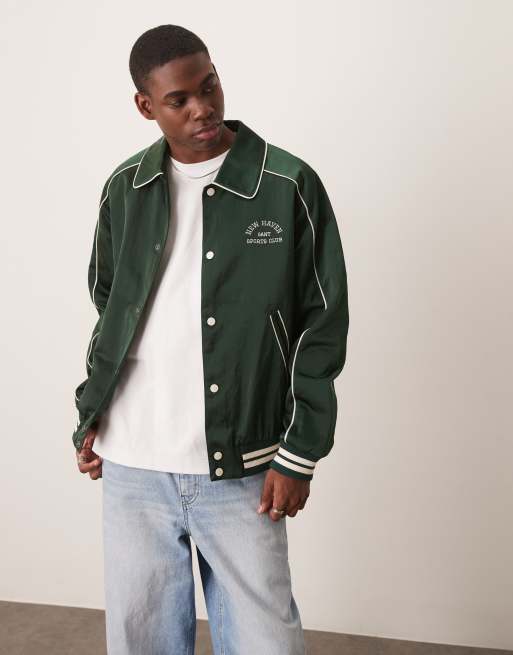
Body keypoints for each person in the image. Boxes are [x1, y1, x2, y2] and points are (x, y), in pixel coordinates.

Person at [73, 23, 349, 655]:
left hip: (243, 463)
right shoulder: (125, 188)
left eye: (210, 85)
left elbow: (323, 323)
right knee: (141, 642)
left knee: (265, 642)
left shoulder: (285, 184)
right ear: (146, 106)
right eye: (179, 99)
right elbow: (109, 310)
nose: (203, 107)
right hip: (133, 464)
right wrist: (90, 411)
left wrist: (300, 452)